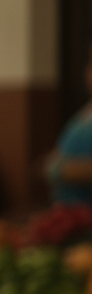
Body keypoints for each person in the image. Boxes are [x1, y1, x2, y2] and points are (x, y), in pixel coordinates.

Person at [49, 45, 92, 206]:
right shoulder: (83, 115)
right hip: (69, 217)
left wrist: (62, 170)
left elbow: (57, 168)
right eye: (90, 63)